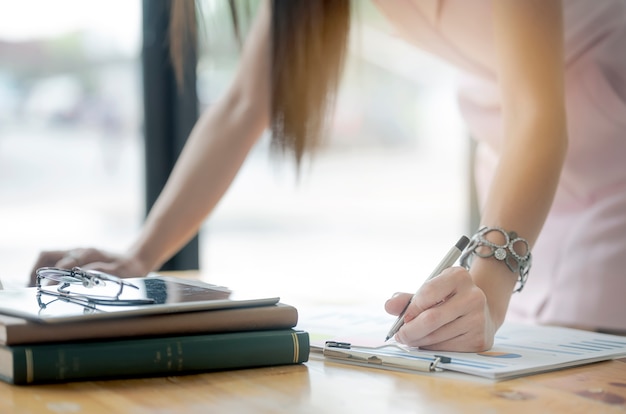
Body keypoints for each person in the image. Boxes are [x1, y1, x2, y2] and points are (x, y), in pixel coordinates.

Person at [31, 0, 626, 351]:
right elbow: (243, 106)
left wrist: (490, 287)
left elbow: (537, 114)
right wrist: (140, 256)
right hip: (527, 187)